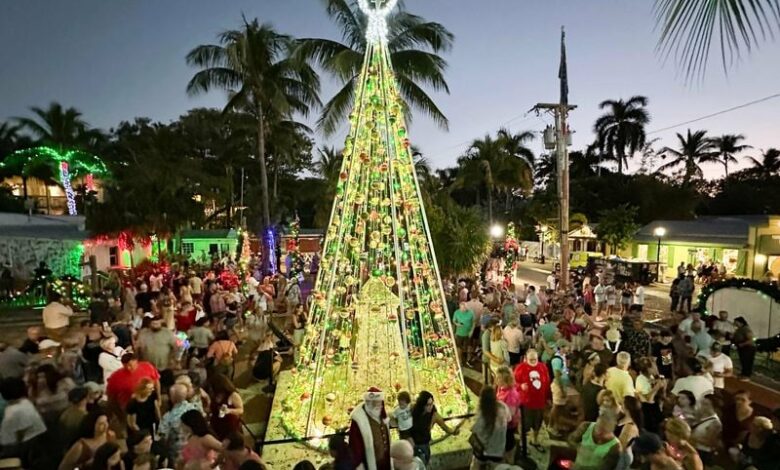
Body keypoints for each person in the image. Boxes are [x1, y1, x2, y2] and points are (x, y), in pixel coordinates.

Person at [0, 377, 47, 468]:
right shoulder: (25, 403)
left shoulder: (13, 411)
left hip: (17, 452)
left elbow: (14, 441)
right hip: (32, 447)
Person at [409, 390, 459, 464]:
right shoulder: (413, 409)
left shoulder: (434, 415)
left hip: (423, 446)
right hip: (411, 445)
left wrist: (453, 431)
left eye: (432, 404)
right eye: (428, 405)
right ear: (422, 405)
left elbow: (445, 427)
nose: (431, 407)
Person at [348, 387, 392, 470]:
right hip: (369, 464)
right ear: (369, 402)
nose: (378, 405)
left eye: (379, 402)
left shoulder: (382, 416)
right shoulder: (359, 420)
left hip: (385, 462)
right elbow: (355, 446)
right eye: (375, 402)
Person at [514, 349, 549, 449]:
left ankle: (535, 440)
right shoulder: (520, 368)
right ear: (525, 358)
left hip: (540, 402)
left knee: (538, 423)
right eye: (531, 360)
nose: (533, 361)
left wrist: (548, 397)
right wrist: (520, 386)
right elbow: (513, 383)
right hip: (526, 403)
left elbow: (547, 382)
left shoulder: (543, 367)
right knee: (524, 424)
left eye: (535, 359)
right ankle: (522, 442)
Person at [158, 383, 199, 466]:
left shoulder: (168, 417)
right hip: (195, 448)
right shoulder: (195, 408)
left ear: (172, 398)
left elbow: (162, 437)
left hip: (177, 453)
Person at [469, 386, 510, 469]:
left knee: (475, 465)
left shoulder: (482, 413)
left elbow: (475, 429)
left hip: (483, 450)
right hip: (498, 450)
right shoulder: (503, 407)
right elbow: (509, 419)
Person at [208, 374, 243, 440]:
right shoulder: (214, 394)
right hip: (216, 425)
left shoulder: (233, 395)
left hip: (230, 427)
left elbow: (241, 410)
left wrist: (229, 411)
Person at [634, 357, 665, 433]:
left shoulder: (651, 377)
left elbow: (662, 396)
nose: (656, 369)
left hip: (655, 409)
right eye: (653, 367)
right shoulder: (640, 379)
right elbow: (647, 399)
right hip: (647, 412)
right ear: (648, 369)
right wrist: (657, 387)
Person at [689, 394, 721, 466]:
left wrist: (692, 437)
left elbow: (710, 442)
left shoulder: (715, 423)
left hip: (702, 452)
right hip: (694, 448)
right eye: (702, 403)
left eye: (706, 404)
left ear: (713, 407)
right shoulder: (701, 417)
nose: (702, 406)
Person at [59, 386, 89, 451]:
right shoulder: (86, 417)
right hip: (79, 447)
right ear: (84, 399)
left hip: (66, 446)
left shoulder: (64, 414)